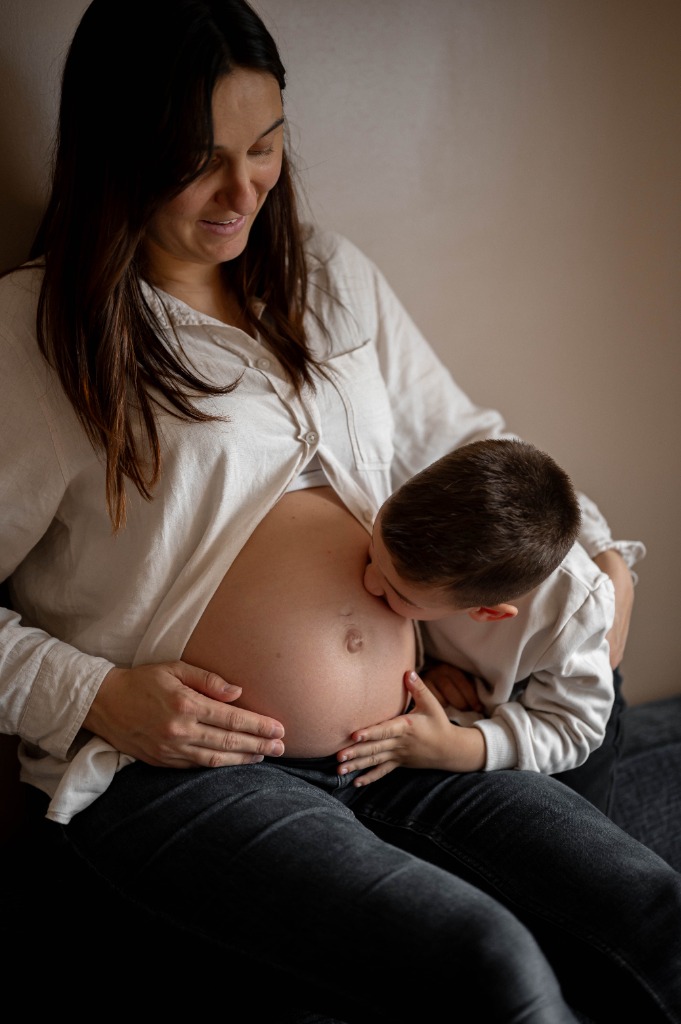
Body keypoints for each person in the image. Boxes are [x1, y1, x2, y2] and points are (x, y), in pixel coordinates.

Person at [0, 1, 679, 1022]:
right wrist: (95, 694)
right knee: (493, 970)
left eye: (266, 145)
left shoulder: (327, 277)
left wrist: (594, 558)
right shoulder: (33, 335)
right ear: (118, 153)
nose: (245, 189)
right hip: (190, 774)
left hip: (411, 733)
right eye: (201, 161)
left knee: (655, 913)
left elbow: (468, 447)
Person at [338, 437, 634, 784]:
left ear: (487, 613)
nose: (368, 581)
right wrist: (424, 663)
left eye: (398, 593)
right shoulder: (434, 492)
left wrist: (456, 747)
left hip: (548, 712)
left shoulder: (572, 615)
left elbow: (571, 729)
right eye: (374, 548)